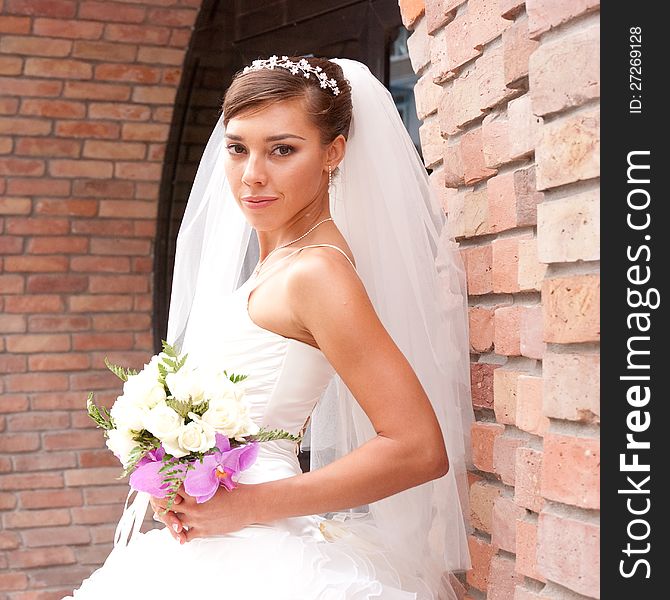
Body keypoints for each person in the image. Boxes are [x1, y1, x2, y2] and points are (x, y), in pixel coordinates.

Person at [64, 56, 473, 599]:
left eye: (282, 149)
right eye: (238, 148)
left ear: (333, 152)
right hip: (220, 544)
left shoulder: (318, 272)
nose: (252, 173)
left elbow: (418, 447)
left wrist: (249, 504)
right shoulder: (276, 263)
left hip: (263, 550)